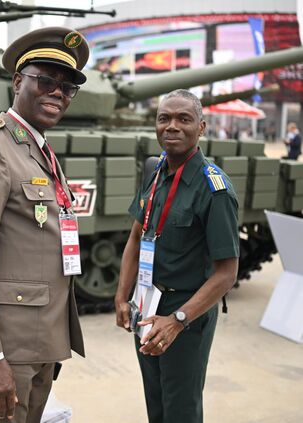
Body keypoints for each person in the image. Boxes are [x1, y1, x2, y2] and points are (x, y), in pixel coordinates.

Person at [0, 27, 89, 423]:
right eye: (45, 80)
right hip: (2, 348)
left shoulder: (37, 148)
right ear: (17, 81)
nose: (57, 92)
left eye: (67, 87)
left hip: (40, 343)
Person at [115, 89, 239, 423]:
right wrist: (122, 295)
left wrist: (177, 321)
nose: (172, 126)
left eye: (183, 119)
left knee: (180, 409)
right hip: (148, 307)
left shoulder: (215, 189)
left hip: (186, 316)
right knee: (156, 404)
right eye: (164, 118)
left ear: (201, 127)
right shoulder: (156, 173)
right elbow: (135, 238)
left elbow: (226, 274)